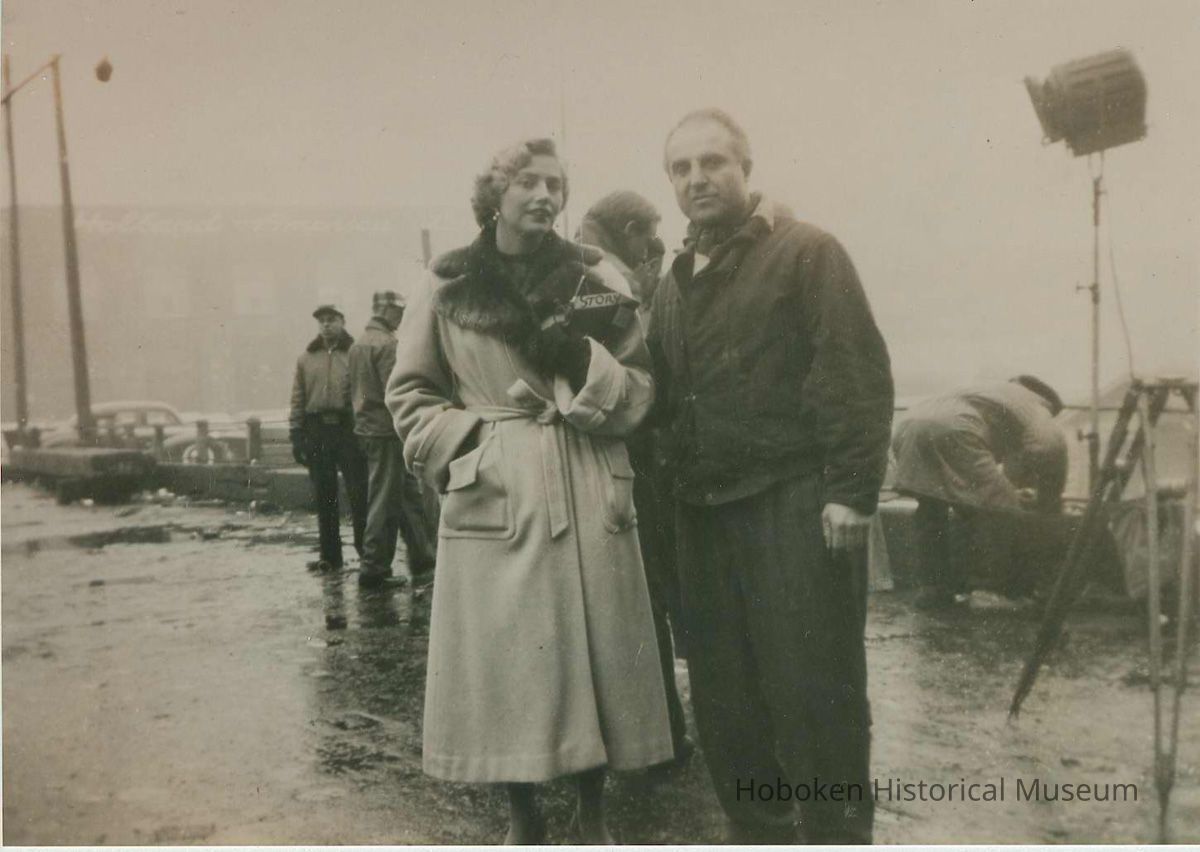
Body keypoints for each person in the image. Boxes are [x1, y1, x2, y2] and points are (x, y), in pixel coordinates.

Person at [385, 138, 672, 844]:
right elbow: (410, 394)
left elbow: (640, 384)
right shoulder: (445, 283)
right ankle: (522, 818)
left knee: (596, 651)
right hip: (497, 485)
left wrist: (584, 365)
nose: (545, 196)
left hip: (585, 465)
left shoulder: (595, 277)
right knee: (508, 660)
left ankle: (593, 813)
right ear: (496, 192)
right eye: (529, 183)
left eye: (556, 184)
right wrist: (470, 443)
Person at [647, 109, 894, 843]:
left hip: (790, 502)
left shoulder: (807, 251)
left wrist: (852, 494)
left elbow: (854, 372)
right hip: (701, 511)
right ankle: (759, 832)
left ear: (746, 170)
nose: (698, 179)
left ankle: (838, 836)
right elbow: (660, 396)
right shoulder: (676, 277)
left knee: (815, 690)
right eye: (681, 169)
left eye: (713, 162)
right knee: (725, 700)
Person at [577, 192, 692, 767]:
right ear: (627, 230)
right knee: (646, 604)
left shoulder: (584, 269)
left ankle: (653, 736)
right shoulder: (604, 278)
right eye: (650, 233)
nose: (657, 245)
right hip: (632, 462)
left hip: (607, 461)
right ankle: (660, 738)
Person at [891, 376, 1069, 609]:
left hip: (907, 427)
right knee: (1001, 511)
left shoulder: (989, 391)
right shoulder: (1036, 405)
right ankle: (993, 590)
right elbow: (1050, 447)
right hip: (956, 429)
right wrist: (1050, 499)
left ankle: (934, 589)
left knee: (931, 510)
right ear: (1049, 403)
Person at [348, 291, 438, 588]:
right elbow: (396, 390)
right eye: (398, 311)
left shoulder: (359, 343)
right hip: (388, 432)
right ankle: (374, 569)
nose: (400, 317)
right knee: (385, 499)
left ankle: (424, 559)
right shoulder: (387, 344)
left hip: (370, 429)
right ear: (385, 310)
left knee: (407, 495)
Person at [289, 304, 368, 571]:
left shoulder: (355, 353)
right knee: (325, 494)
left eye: (332, 319)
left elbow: (364, 392)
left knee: (359, 493)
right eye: (321, 320)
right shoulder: (306, 358)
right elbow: (298, 397)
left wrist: (364, 429)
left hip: (349, 429)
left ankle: (367, 554)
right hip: (317, 430)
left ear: (343, 321)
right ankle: (330, 557)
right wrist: (296, 434)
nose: (326, 325)